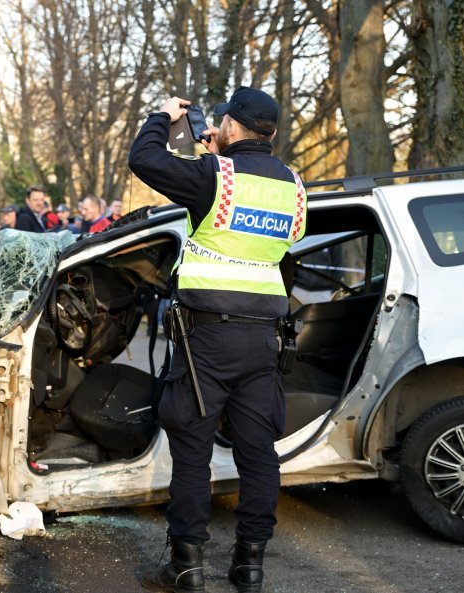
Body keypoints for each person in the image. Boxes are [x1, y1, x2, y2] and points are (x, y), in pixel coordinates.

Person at [128, 87, 307, 593]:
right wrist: (220, 161)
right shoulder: (293, 186)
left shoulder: (213, 176)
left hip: (207, 338)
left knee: (192, 448)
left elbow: (144, 159)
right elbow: (272, 238)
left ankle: (186, 568)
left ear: (228, 125)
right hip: (263, 341)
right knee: (258, 454)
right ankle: (249, 567)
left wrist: (162, 117)